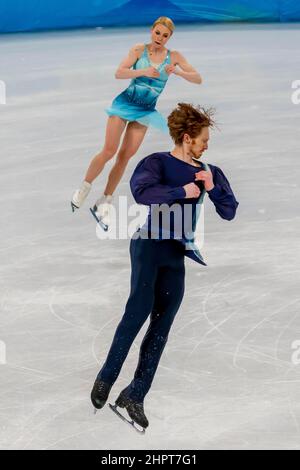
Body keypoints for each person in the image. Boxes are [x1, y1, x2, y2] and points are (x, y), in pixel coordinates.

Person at [90, 103, 239, 432]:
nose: (206, 146)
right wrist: (180, 191)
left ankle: (135, 395)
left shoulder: (209, 171)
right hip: (148, 246)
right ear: (187, 138)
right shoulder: (156, 163)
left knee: (161, 328)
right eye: (202, 141)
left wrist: (211, 187)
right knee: (137, 313)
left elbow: (229, 211)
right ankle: (106, 378)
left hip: (176, 255)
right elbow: (142, 193)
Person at [71, 16, 203, 231]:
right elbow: (119, 72)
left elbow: (198, 78)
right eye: (157, 32)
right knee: (109, 151)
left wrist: (177, 71)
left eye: (165, 35)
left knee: (124, 158)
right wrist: (142, 71)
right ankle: (84, 187)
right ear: (152, 31)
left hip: (144, 111)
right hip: (124, 105)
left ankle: (104, 202)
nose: (160, 37)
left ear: (170, 38)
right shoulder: (138, 50)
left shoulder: (174, 57)